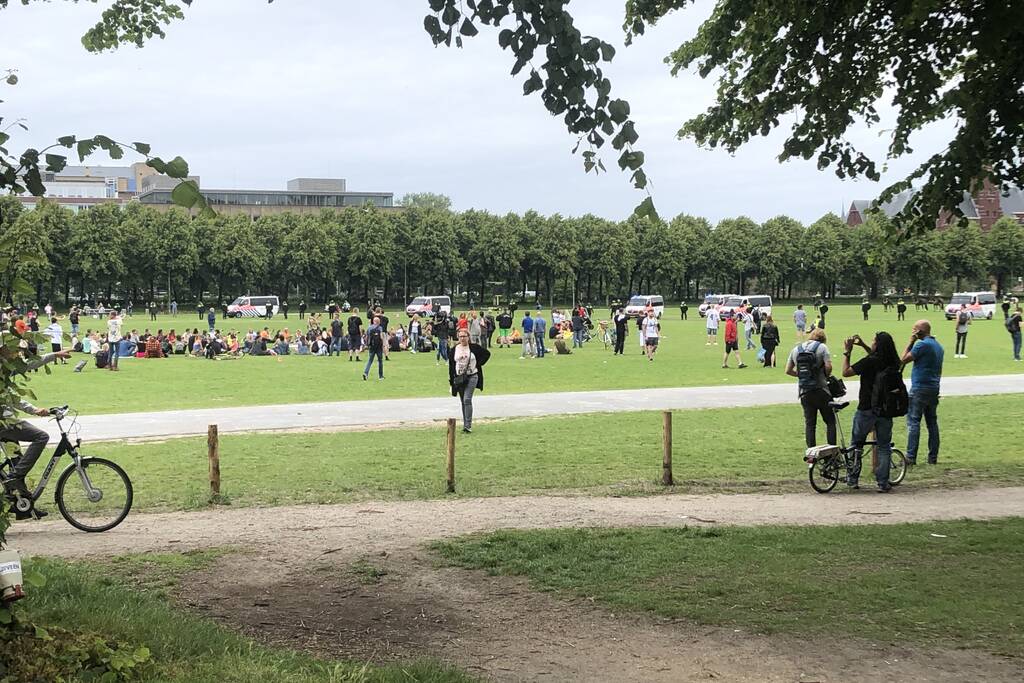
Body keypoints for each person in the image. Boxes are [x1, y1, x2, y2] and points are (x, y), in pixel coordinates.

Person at [0, 349, 71, 519]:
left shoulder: (6, 367)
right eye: (13, 351)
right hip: (4, 422)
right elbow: (12, 397)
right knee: (41, 437)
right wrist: (33, 409)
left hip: (6, 420)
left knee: (16, 460)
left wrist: (54, 355)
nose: (17, 354)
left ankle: (23, 506)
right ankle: (16, 477)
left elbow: (28, 365)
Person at [841, 331, 902, 492]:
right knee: (884, 446)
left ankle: (853, 479)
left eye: (873, 341)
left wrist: (848, 352)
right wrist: (863, 345)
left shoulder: (869, 362)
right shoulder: (894, 362)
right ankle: (883, 482)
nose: (872, 343)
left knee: (856, 444)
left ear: (877, 345)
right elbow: (877, 357)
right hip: (885, 409)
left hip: (866, 408)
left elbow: (846, 372)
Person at [901, 320, 944, 465]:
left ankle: (911, 457)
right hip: (933, 388)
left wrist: (911, 341)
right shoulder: (938, 346)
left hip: (920, 388)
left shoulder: (921, 344)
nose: (912, 331)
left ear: (920, 331)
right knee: (932, 423)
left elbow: (903, 360)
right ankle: (933, 457)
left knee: (914, 422)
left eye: (914, 329)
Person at [786, 328, 836, 448]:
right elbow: (828, 367)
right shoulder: (822, 347)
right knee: (830, 422)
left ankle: (811, 456)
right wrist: (824, 376)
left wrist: (802, 376)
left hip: (805, 392)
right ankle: (832, 453)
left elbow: (787, 370)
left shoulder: (796, 349)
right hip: (822, 390)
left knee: (810, 424)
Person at [449, 327, 491, 433]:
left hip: (472, 376)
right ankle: (465, 423)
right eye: (460, 336)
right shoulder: (454, 349)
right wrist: (452, 382)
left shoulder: (474, 348)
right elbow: (451, 366)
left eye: (464, 336)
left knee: (467, 399)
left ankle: (468, 425)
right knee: (463, 401)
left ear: (468, 337)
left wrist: (478, 364)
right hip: (459, 378)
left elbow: (487, 354)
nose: (462, 338)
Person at [362, 316, 386, 380]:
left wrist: (367, 344)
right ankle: (381, 376)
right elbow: (381, 337)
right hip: (378, 346)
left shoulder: (369, 328)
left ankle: (365, 373)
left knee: (370, 360)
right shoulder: (380, 328)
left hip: (371, 346)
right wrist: (383, 344)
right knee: (380, 361)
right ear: (379, 322)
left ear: (373, 321)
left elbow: (367, 337)